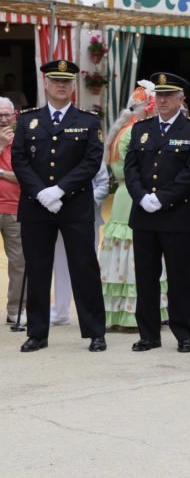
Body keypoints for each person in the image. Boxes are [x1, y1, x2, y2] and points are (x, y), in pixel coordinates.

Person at [11, 60, 107, 353]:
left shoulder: (88, 121)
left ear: (73, 86)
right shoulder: (28, 121)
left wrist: (59, 190)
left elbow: (91, 162)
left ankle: (95, 332)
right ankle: (37, 333)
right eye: (56, 81)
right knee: (38, 269)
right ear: (46, 84)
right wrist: (41, 193)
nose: (61, 85)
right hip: (36, 206)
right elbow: (19, 160)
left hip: (75, 206)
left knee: (84, 268)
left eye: (66, 81)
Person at [124, 73, 190, 353]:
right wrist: (142, 197)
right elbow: (131, 168)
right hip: (145, 214)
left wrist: (162, 198)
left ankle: (184, 334)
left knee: (179, 279)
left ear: (180, 99)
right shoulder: (140, 129)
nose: (162, 100)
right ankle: (148, 334)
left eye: (169, 95)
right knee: (146, 278)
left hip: (177, 216)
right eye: (159, 95)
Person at [100, 83, 168, 331]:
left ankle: (118, 314)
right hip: (136, 194)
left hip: (121, 193)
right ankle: (134, 315)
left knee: (121, 252)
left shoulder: (120, 130)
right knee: (139, 251)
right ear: (149, 107)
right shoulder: (138, 131)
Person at [50, 154, 110, 326]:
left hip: (86, 217)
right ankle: (60, 312)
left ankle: (91, 315)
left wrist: (82, 203)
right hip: (58, 214)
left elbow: (103, 186)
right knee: (60, 267)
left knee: (86, 267)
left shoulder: (93, 157)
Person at [0, 97, 25, 326]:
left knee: (19, 261)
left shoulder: (21, 142)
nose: (3, 119)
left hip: (14, 209)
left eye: (7, 114)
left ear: (14, 117)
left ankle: (16, 309)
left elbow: (23, 177)